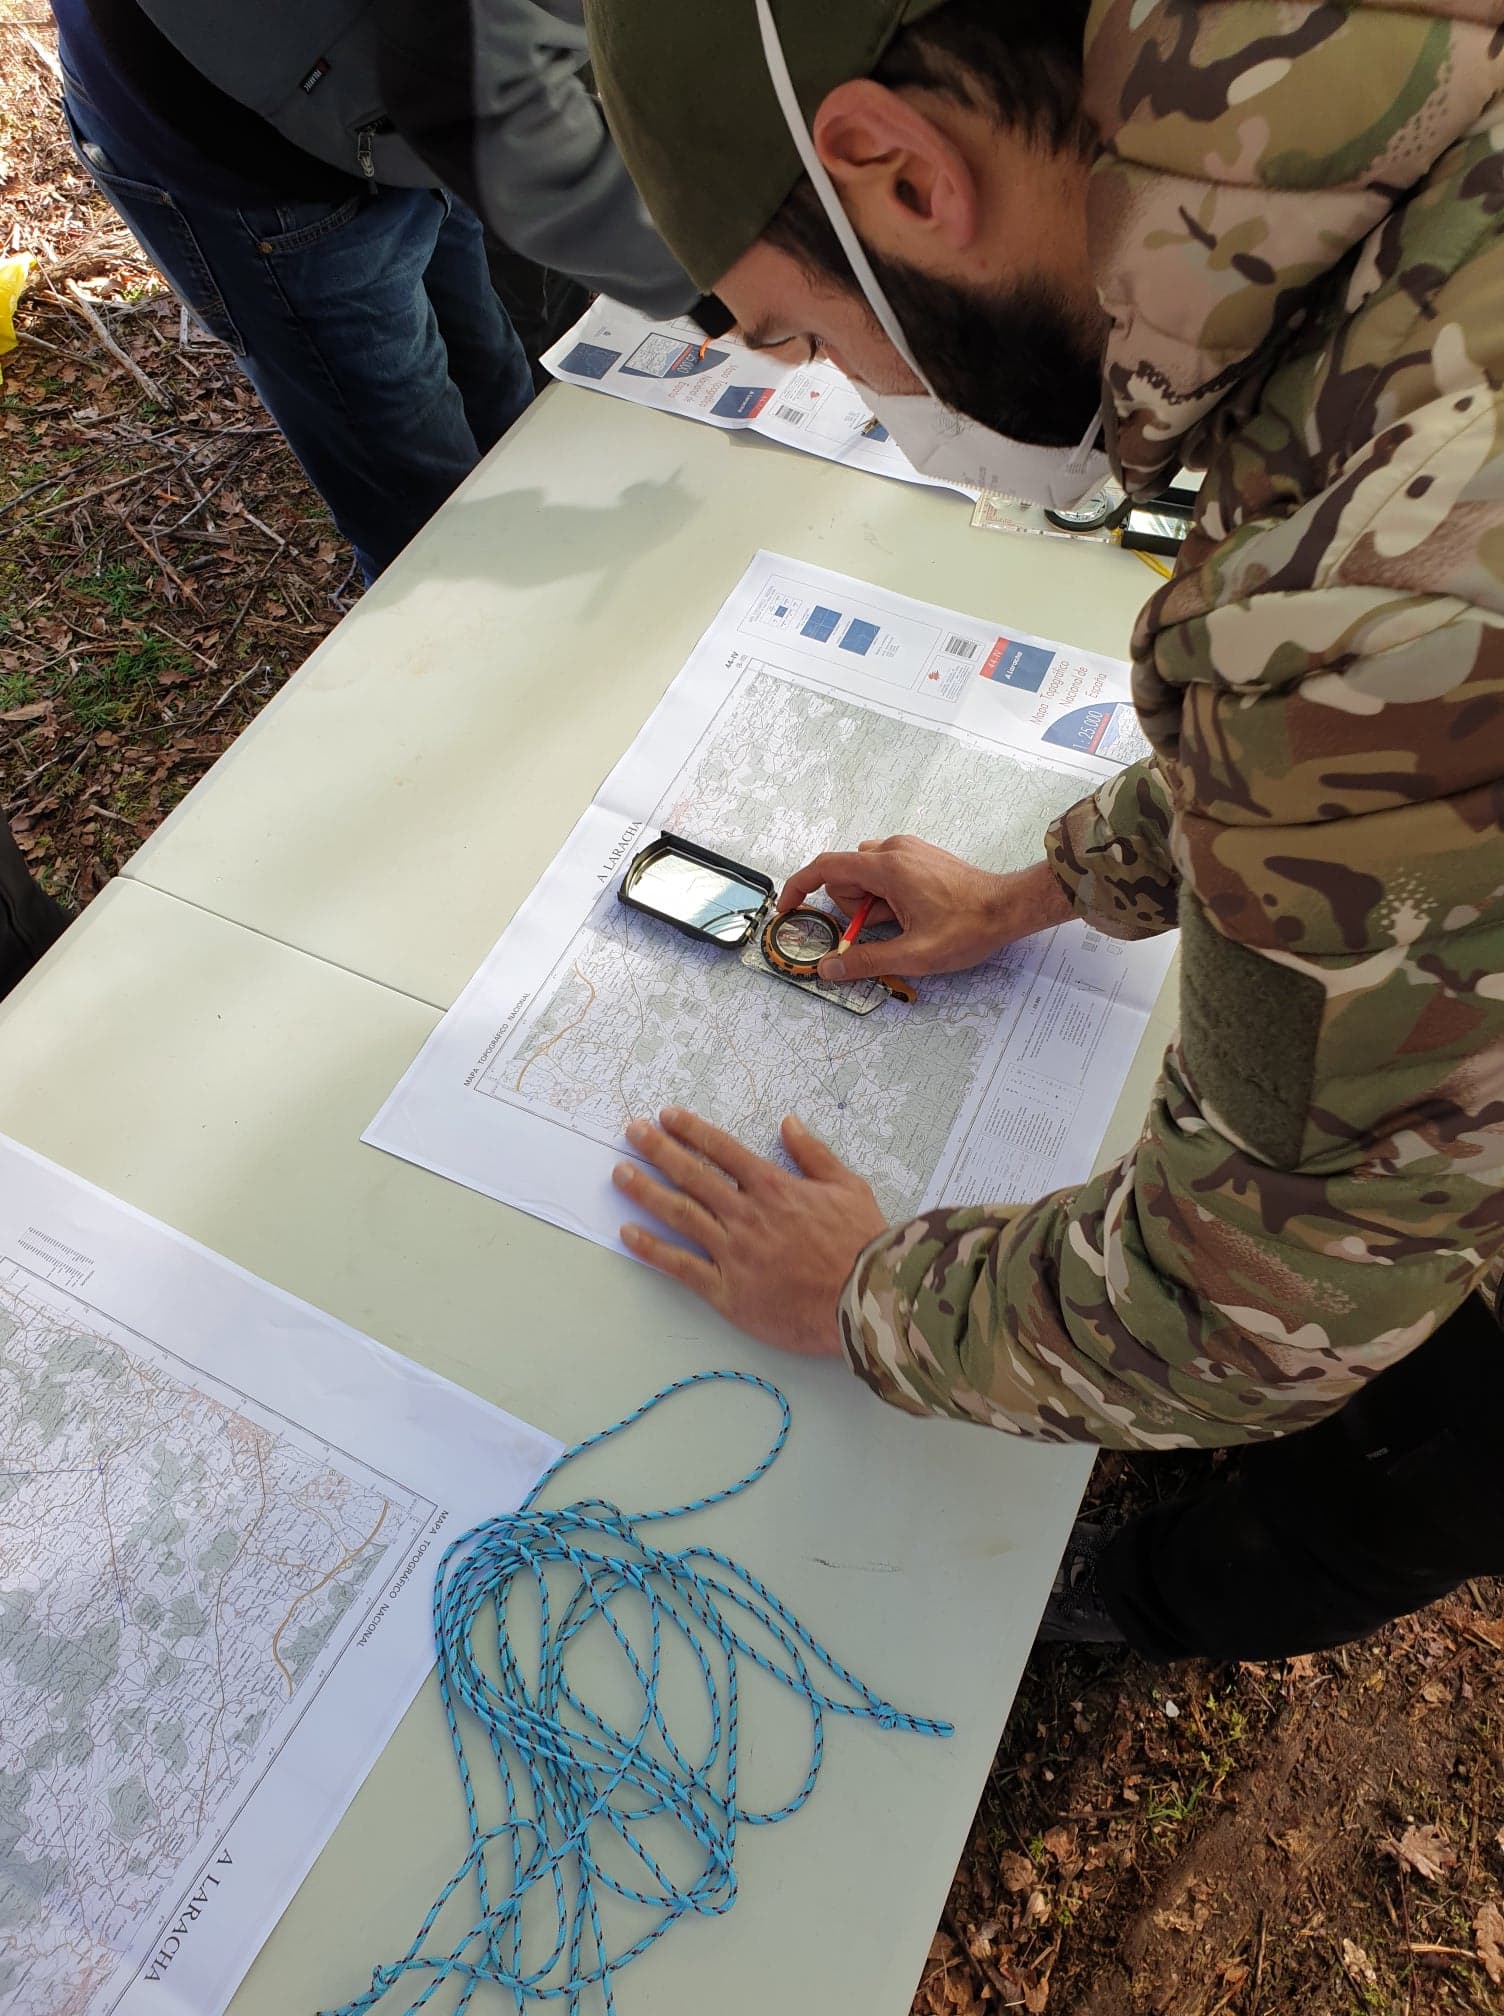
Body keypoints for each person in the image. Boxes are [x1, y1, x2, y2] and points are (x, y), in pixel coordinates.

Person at [582, 0, 1504, 1662]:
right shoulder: (1385, 135)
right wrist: (1039, 887)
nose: (850, 389)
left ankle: (1151, 1603)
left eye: (802, 340)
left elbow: (1253, 1308)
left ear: (895, 173)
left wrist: (862, 1295)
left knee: (1418, 1456)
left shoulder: (1362, 588)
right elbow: (1417, 726)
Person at [48, 0, 693, 582]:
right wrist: (713, 284)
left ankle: (534, 573)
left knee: (498, 390)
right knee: (430, 516)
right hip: (250, 158)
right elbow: (474, 78)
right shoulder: (456, 64)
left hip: (390, 116)